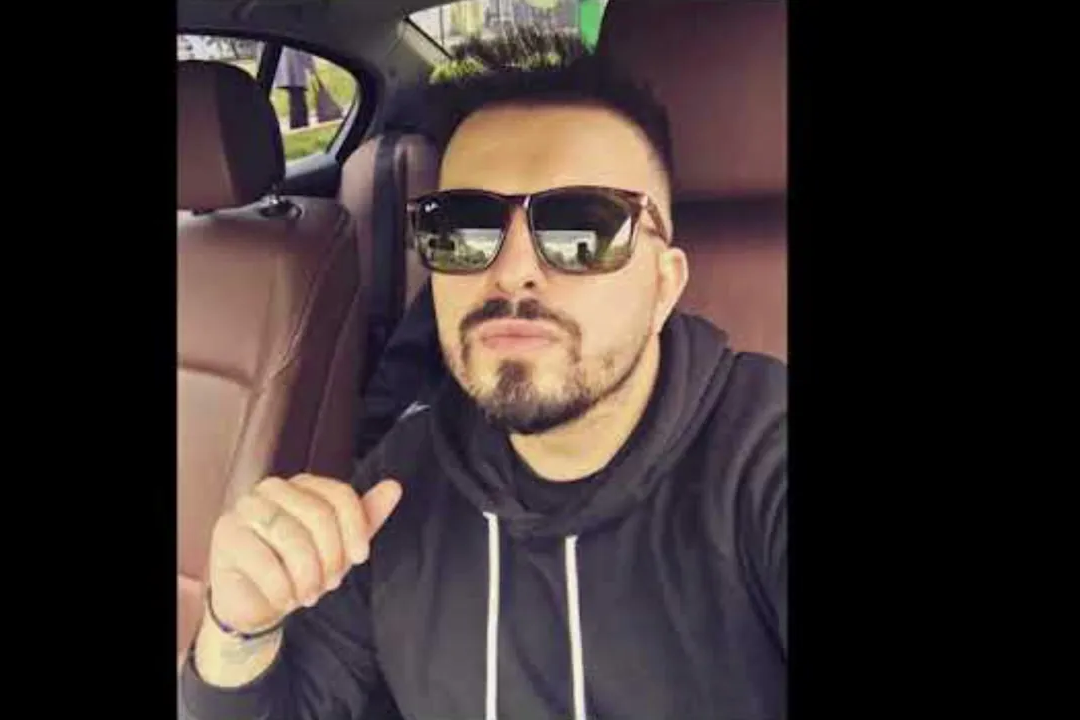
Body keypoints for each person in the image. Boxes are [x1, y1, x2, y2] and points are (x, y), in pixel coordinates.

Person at [179, 50, 787, 720]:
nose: (512, 271)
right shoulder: (397, 488)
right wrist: (238, 632)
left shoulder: (764, 463)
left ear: (664, 285)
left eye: (583, 228)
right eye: (463, 229)